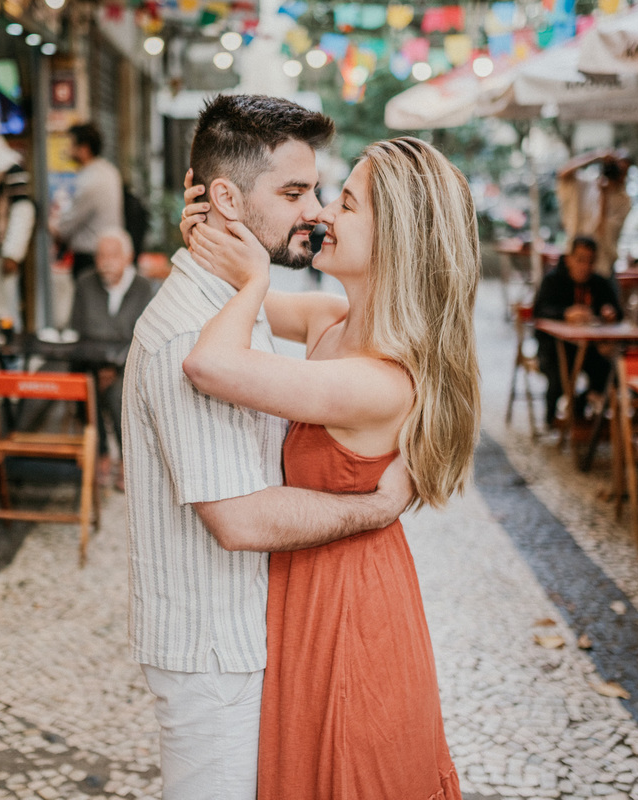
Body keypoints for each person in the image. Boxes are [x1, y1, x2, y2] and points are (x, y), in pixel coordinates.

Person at [121, 95, 414, 800]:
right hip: (216, 651)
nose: (315, 211)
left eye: (325, 194)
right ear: (226, 196)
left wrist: (243, 273)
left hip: (262, 633)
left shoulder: (239, 306)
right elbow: (240, 521)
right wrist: (377, 508)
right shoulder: (190, 334)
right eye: (296, 192)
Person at [179, 136, 472, 798]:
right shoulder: (332, 320)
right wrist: (211, 223)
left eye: (346, 204)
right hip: (314, 581)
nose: (324, 217)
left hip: (351, 606)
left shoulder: (381, 381)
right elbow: (221, 297)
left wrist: (255, 279)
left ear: (395, 239)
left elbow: (209, 364)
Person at [69, 229, 153, 491]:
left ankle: (128, 460)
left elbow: (146, 337)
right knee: (84, 387)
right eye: (101, 256)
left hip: (129, 367)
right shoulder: (85, 284)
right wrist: (99, 366)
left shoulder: (143, 288)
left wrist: (116, 367)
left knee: (120, 394)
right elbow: (77, 330)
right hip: (90, 364)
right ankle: (102, 453)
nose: (106, 262)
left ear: (128, 257)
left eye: (113, 255)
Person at [534, 236, 623, 428]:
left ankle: (580, 407)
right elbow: (539, 311)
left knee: (610, 372)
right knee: (560, 375)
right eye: (580, 259)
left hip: (590, 347)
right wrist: (565, 313)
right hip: (556, 347)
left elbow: (616, 310)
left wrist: (610, 313)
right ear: (569, 259)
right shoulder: (553, 281)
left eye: (590, 261)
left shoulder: (599, 283)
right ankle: (551, 418)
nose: (585, 266)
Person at [50, 124, 124, 279]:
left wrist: (50, 223)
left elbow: (65, 226)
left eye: (71, 145)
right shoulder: (109, 171)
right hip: (110, 251)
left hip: (90, 257)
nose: (67, 150)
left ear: (83, 149)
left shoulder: (89, 181)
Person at [0, 111, 36, 330]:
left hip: (1, 252)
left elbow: (23, 209)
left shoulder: (8, 164)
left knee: (6, 309)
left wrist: (12, 252)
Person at [557, 148, 631, 278]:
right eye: (615, 166)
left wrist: (604, 197)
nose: (618, 173)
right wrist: (596, 157)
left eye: (622, 170)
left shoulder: (624, 201)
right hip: (575, 259)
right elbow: (563, 174)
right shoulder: (588, 185)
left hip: (601, 264)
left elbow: (604, 231)